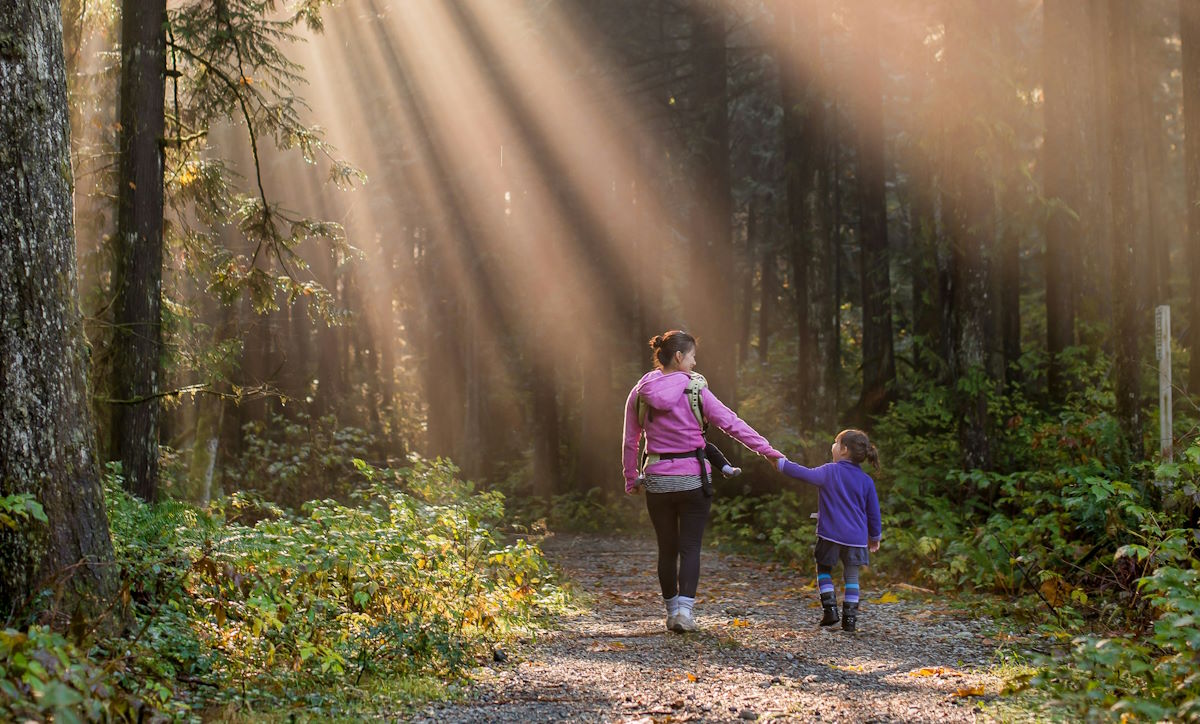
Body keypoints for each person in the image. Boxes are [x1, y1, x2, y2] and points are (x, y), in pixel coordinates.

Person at [622, 330, 782, 633]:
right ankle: (685, 612)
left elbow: (631, 440)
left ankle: (671, 612)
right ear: (680, 356)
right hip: (694, 479)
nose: (695, 363)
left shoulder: (640, 390)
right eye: (693, 356)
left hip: (657, 479)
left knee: (666, 548)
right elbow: (731, 423)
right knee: (690, 547)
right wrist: (767, 451)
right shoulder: (695, 389)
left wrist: (632, 478)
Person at [775, 429, 882, 632]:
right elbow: (874, 513)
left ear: (843, 450)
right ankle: (849, 620)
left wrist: (780, 463)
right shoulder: (867, 481)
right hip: (857, 539)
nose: (832, 446)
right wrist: (874, 537)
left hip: (830, 534)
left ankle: (830, 610)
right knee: (852, 577)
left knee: (823, 570)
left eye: (835, 443)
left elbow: (803, 473)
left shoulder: (829, 471)